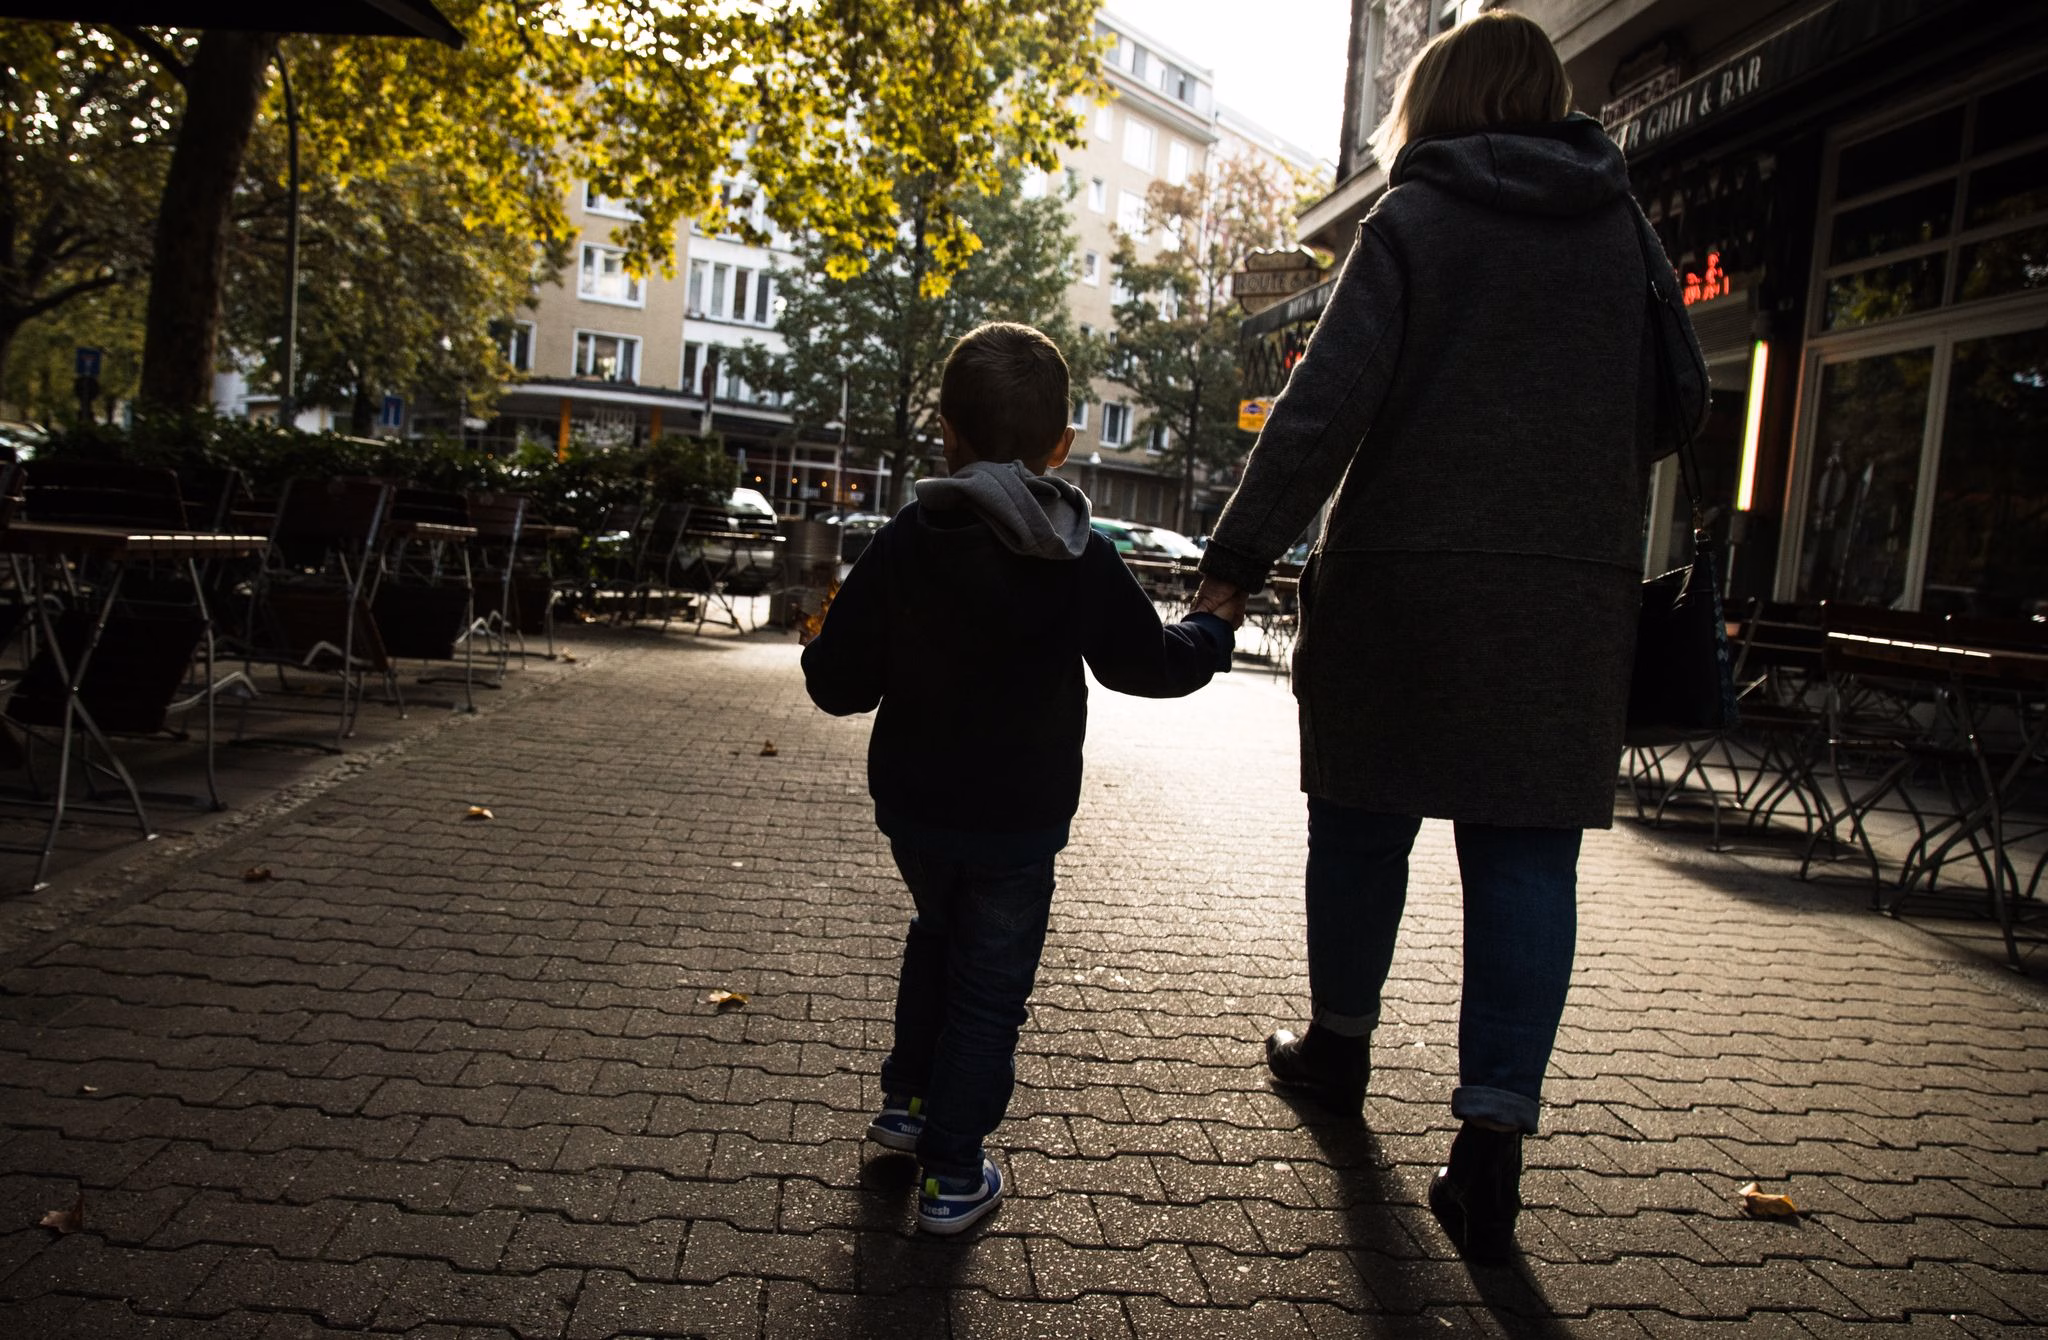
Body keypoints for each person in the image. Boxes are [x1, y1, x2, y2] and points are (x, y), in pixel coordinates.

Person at [1190, 12, 1707, 1264]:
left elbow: (1323, 410)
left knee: (1362, 824)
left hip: (1405, 583)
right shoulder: (1621, 228)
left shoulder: (1412, 221)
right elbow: (1683, 397)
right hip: (1564, 598)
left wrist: (1229, 570)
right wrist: (1561, 468)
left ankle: (1338, 1047)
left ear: (1435, 104)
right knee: (1527, 860)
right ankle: (1488, 1145)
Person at [802, 321, 1235, 1235]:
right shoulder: (1076, 554)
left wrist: (833, 636)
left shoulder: (907, 540)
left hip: (915, 812)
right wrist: (1212, 632)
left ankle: (910, 1102)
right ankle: (954, 1173)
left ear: (945, 434)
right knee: (991, 984)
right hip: (1018, 822)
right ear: (1061, 446)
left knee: (936, 930)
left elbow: (837, 684)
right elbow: (1145, 664)